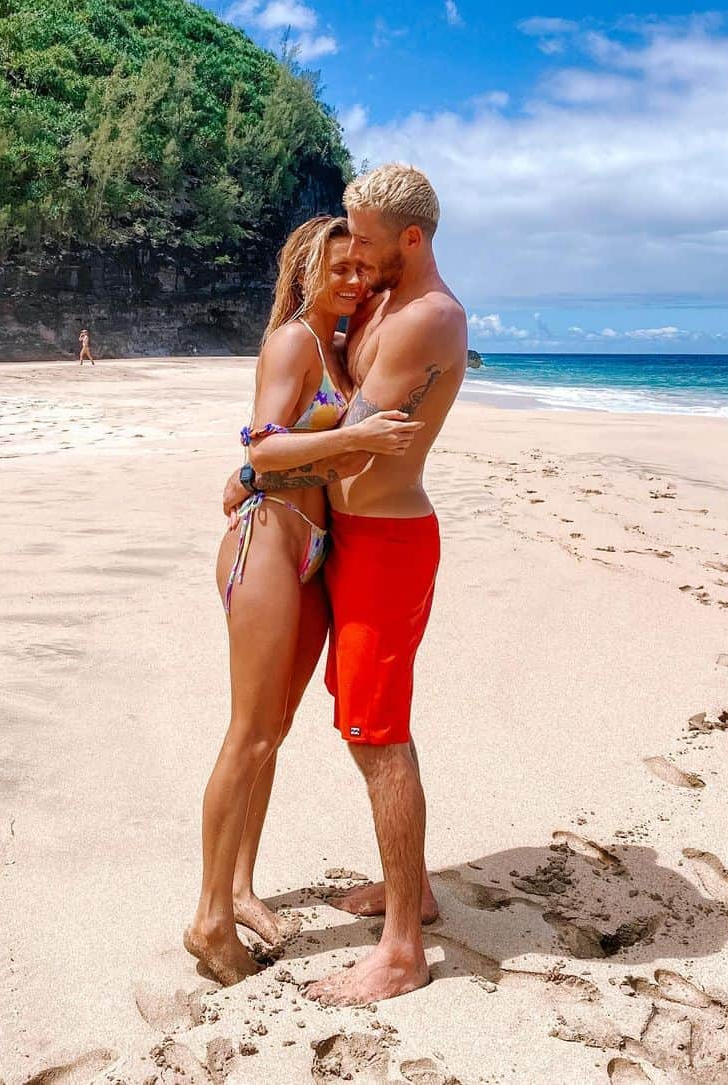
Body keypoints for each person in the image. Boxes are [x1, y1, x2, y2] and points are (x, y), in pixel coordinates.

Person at [223, 164, 467, 1006]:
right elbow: (320, 414)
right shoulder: (378, 304)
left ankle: (402, 948)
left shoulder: (428, 317)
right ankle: (418, 895)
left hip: (389, 541)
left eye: (364, 238)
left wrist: (263, 462)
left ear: (411, 238)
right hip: (345, 540)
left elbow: (359, 445)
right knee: (337, 717)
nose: (351, 253)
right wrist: (257, 468)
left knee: (377, 735)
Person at [184, 215, 423, 986]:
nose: (355, 282)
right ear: (304, 271)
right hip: (269, 546)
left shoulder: (344, 348)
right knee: (249, 732)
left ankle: (244, 888)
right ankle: (210, 920)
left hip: (313, 551)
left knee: (276, 727)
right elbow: (263, 444)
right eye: (340, 269)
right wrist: (344, 445)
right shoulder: (294, 341)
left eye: (363, 270)